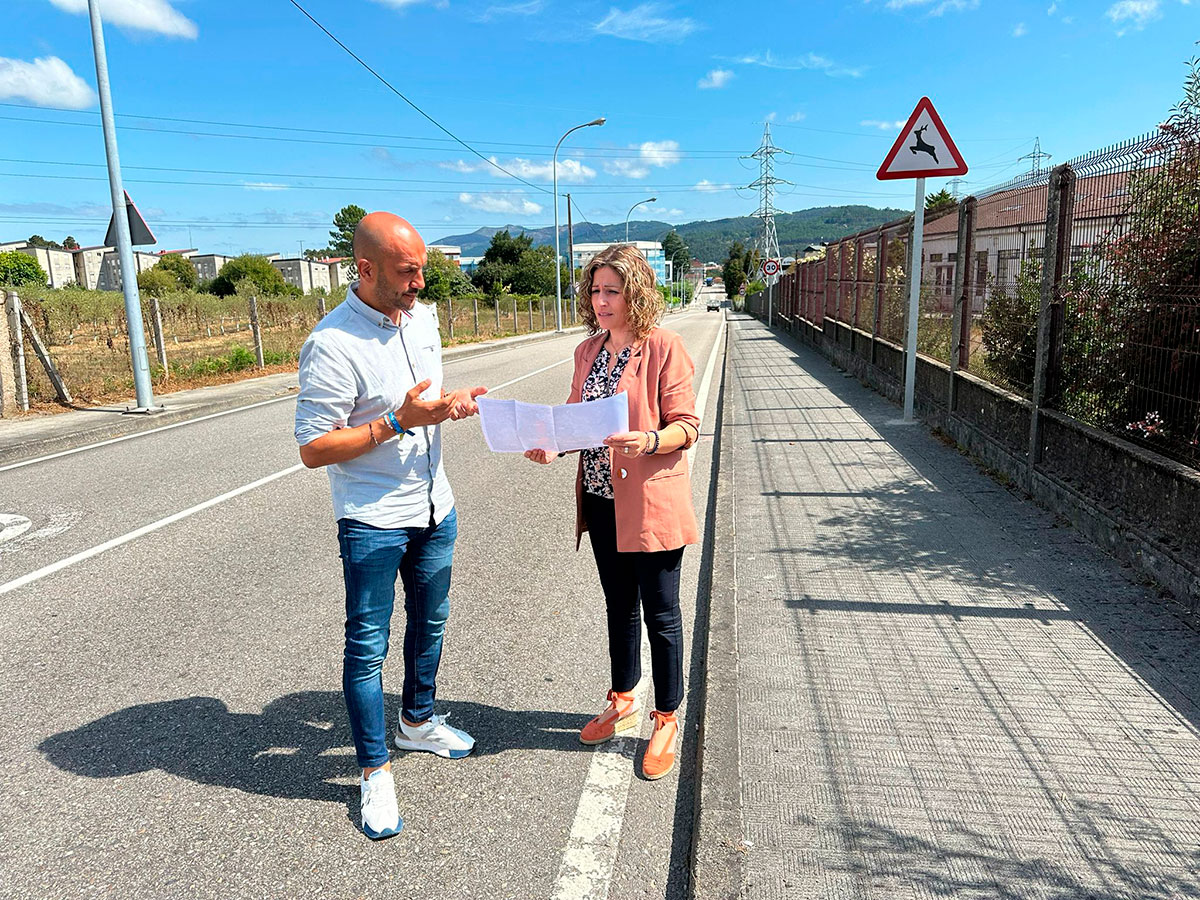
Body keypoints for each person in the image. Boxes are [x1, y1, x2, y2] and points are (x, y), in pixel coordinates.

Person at [294, 212, 487, 840]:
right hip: (373, 519)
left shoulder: (423, 320)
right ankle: (375, 770)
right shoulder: (331, 343)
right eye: (408, 273)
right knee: (367, 646)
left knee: (431, 621)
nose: (420, 283)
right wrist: (396, 424)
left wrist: (449, 406)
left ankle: (418, 722)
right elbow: (314, 447)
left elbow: (424, 400)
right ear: (366, 269)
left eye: (423, 270)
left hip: (436, 505)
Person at [524, 244, 700, 780]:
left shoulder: (665, 347)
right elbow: (575, 419)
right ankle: (623, 698)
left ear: (635, 293)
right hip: (601, 499)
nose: (601, 301)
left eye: (612, 291)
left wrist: (648, 440)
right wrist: (552, 444)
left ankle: (666, 718)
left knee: (661, 615)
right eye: (595, 291)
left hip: (650, 500)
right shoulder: (587, 351)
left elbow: (686, 425)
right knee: (618, 605)